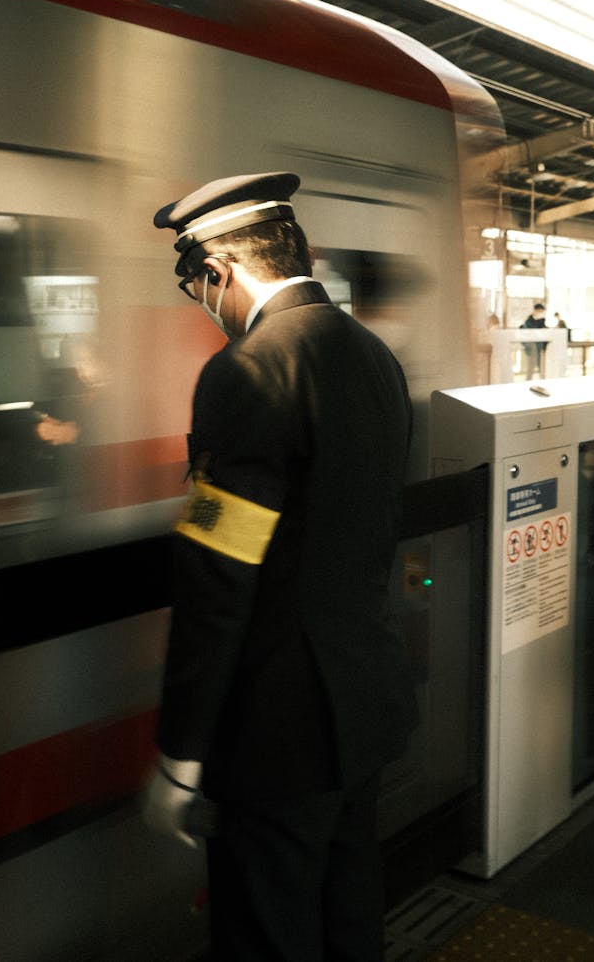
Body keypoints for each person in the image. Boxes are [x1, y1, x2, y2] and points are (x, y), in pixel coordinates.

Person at [142, 171, 419, 962]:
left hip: (276, 734)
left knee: (267, 938)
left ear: (220, 272)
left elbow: (217, 577)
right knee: (347, 922)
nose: (203, 307)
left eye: (196, 288)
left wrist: (181, 752)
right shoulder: (371, 356)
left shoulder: (248, 372)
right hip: (361, 707)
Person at [520, 302, 547, 379]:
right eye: (540, 312)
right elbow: (531, 331)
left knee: (541, 366)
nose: (541, 313)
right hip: (532, 347)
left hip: (539, 346)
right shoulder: (529, 320)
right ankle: (528, 381)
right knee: (531, 366)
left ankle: (542, 380)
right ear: (536, 310)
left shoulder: (541, 320)